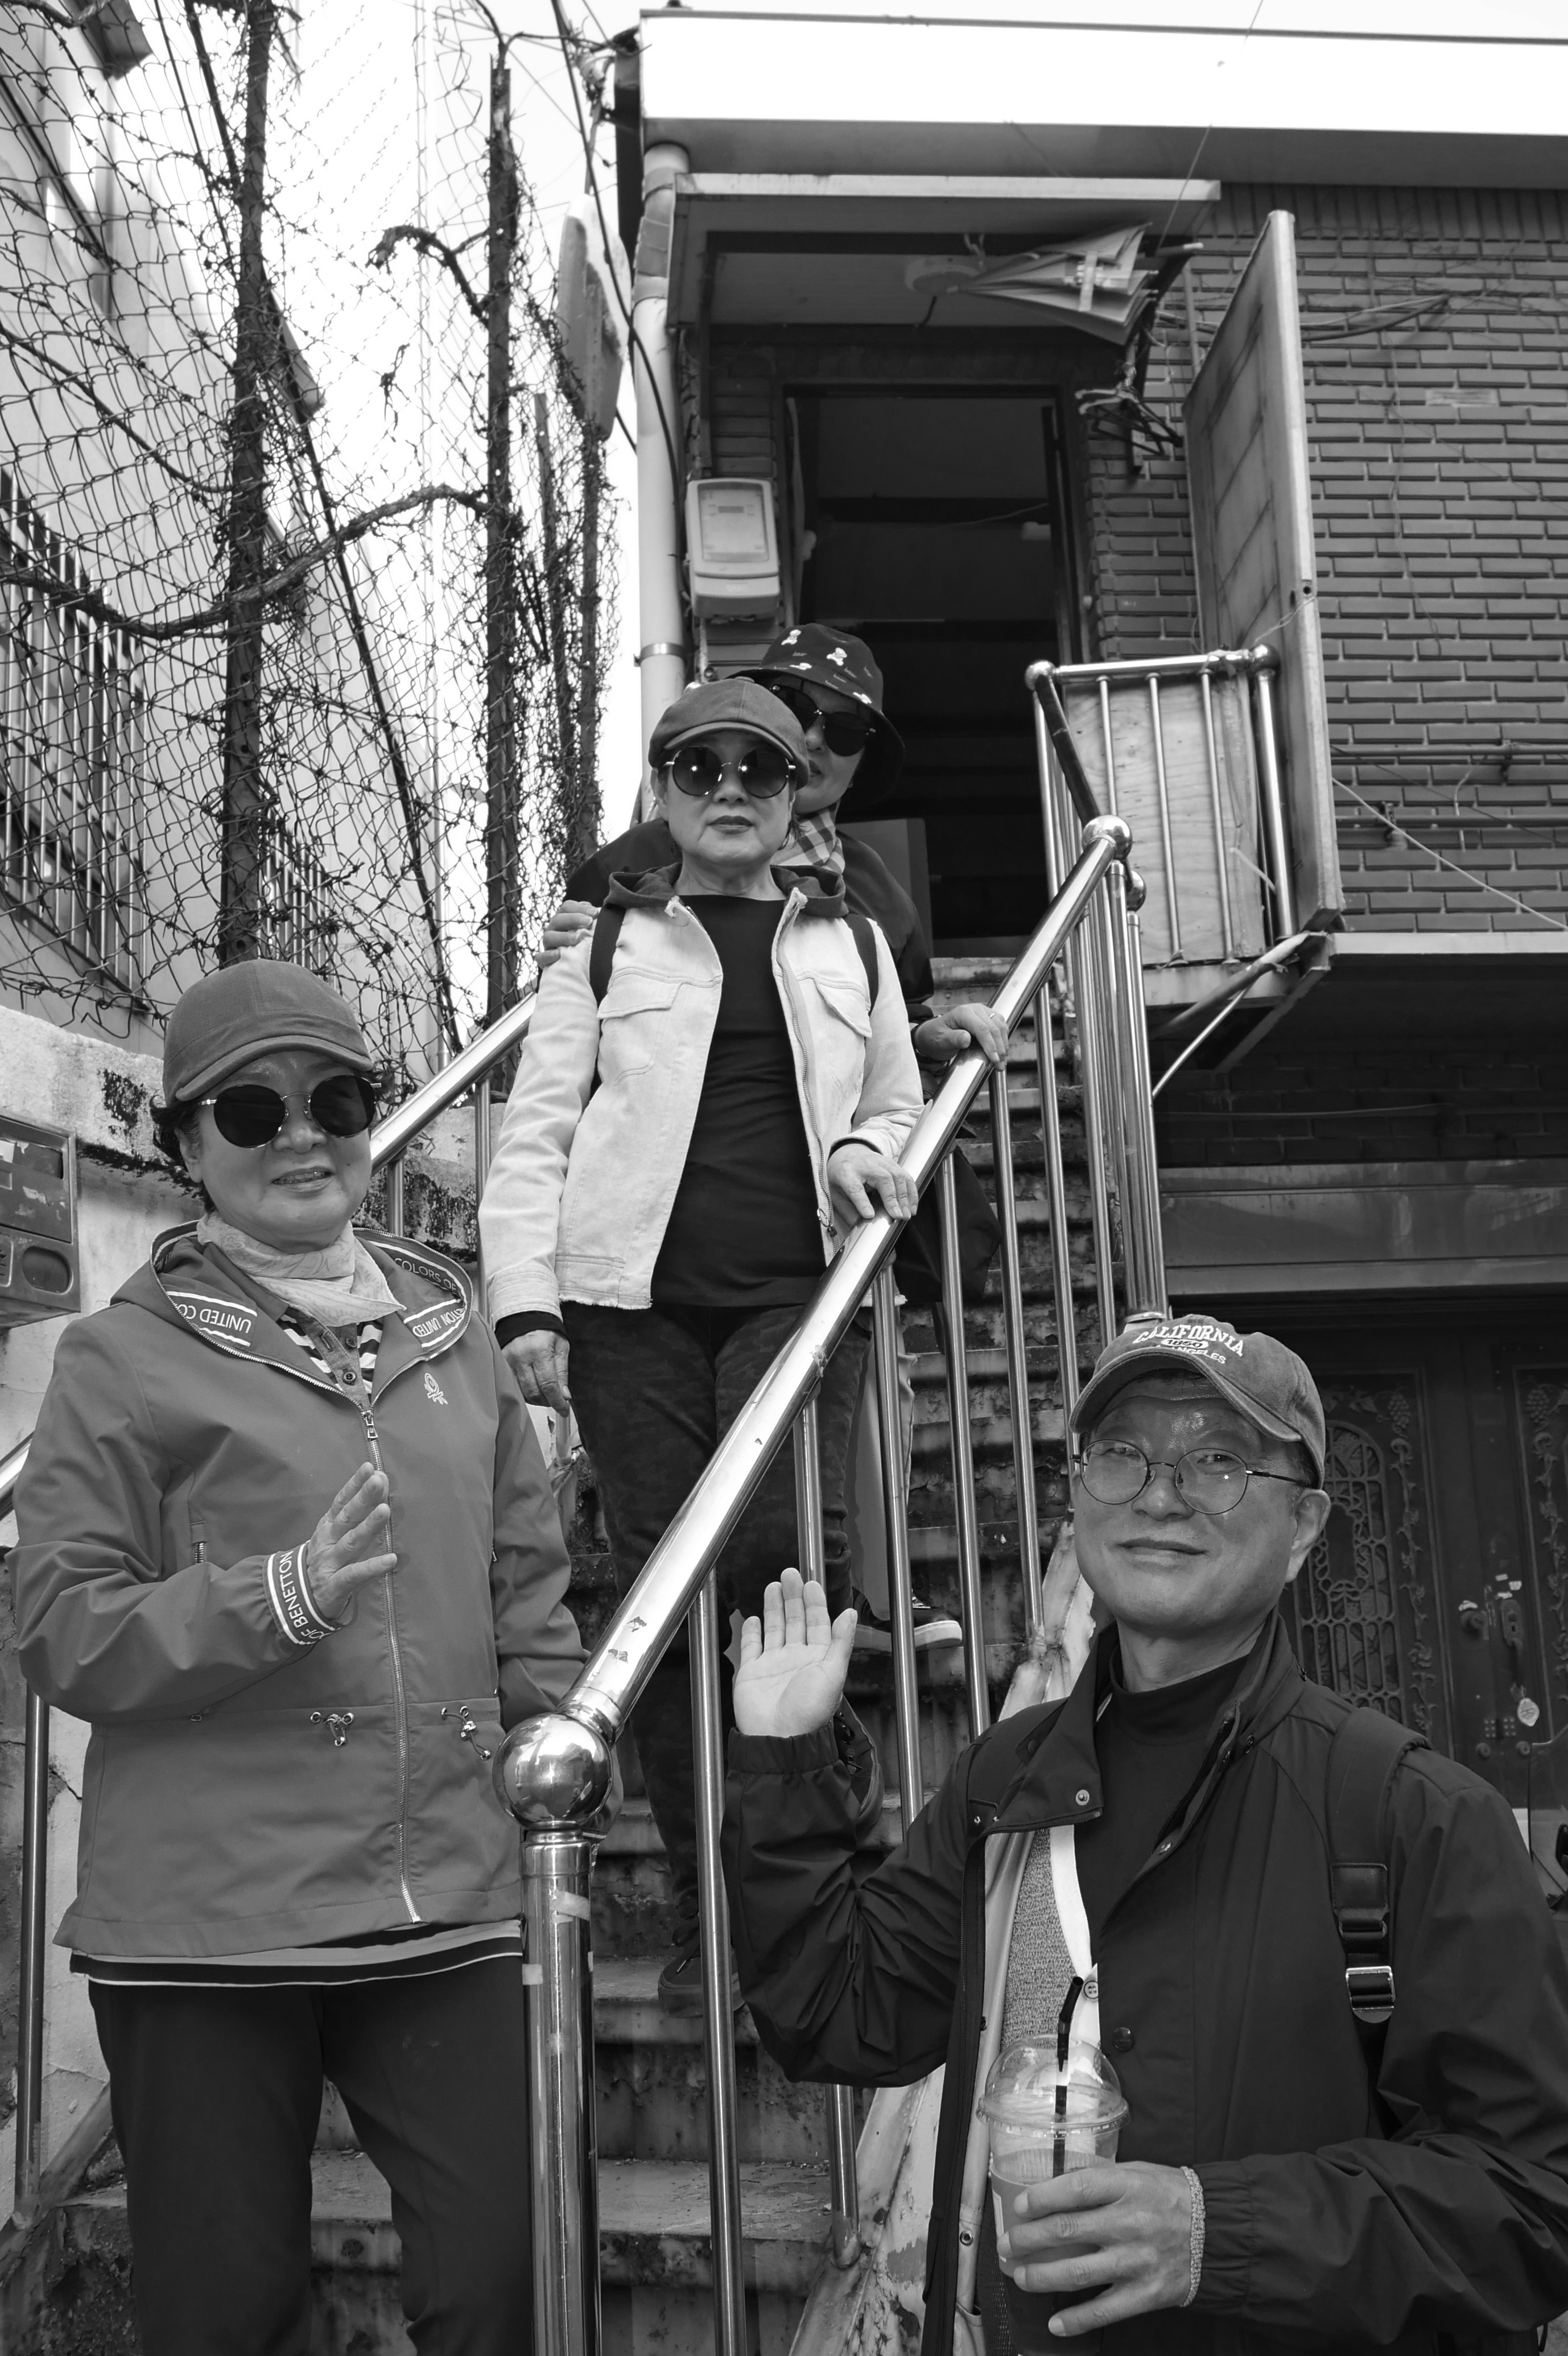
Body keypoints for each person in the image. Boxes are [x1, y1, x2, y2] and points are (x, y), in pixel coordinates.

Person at [723, 1313, 1568, 2355]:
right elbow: (842, 2012)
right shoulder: (1009, 1779)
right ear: (1078, 1496)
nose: (1161, 1495)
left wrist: (1219, 2232)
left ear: (1304, 1528)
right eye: (1123, 1452)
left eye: (1219, 1461)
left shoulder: (1411, 1813)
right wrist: (787, 1765)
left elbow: (1533, 2196)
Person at [11, 959, 589, 2356]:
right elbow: (61, 1625)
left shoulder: (453, 1325)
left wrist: (559, 1741)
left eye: (334, 1100)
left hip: (446, 1896)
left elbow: (525, 1582)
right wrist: (277, 1595)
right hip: (208, 1918)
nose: (299, 1136)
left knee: (508, 2278)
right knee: (224, 2314)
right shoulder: (120, 1354)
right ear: (184, 1142)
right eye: (249, 1109)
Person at [480, 676, 923, 2013]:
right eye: (699, 767)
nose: (730, 789)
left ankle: (814, 1873)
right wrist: (525, 1301)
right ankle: (703, 1912)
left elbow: (896, 1097)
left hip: (796, 1294)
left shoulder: (848, 939)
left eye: (760, 769)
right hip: (628, 1311)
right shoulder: (606, 945)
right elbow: (538, 1130)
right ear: (663, 791)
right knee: (661, 1609)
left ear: (793, 798)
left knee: (779, 1576)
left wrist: (864, 1143)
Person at [540, 622, 1004, 1653]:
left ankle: (856, 1606)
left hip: (817, 1230)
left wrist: (922, 1039)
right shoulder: (640, 865)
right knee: (673, 1557)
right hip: (646, 1270)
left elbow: (867, 1044)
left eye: (844, 729)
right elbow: (572, 1061)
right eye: (797, 708)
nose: (816, 736)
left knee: (800, 1505)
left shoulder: (874, 897)